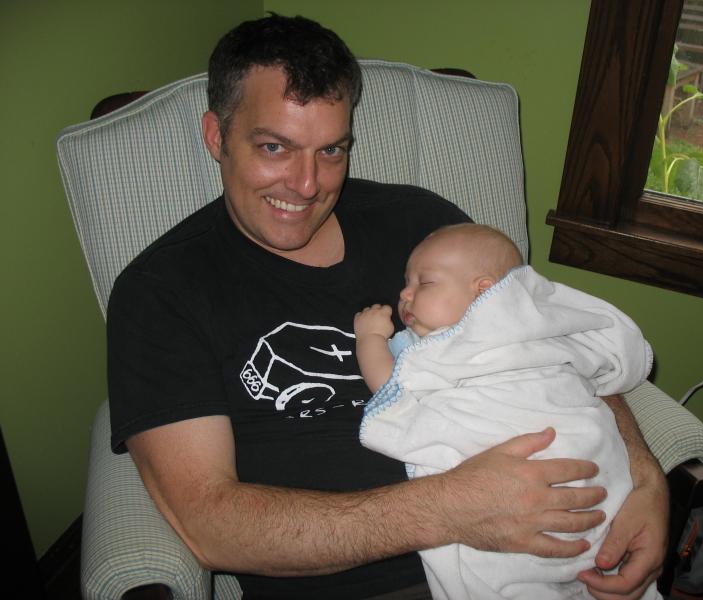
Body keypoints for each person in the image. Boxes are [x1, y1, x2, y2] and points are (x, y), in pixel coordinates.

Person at [107, 12, 668, 600]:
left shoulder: (426, 228)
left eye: (331, 150)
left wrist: (644, 480)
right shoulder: (161, 291)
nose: (307, 184)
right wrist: (450, 509)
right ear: (216, 136)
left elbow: (553, 345)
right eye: (275, 147)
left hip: (563, 559)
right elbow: (210, 522)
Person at [354, 224, 659, 600]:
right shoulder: (424, 346)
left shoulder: (500, 340)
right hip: (502, 495)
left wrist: (369, 338)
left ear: (484, 291)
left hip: (575, 468)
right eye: (406, 282)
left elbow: (386, 382)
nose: (404, 293)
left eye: (424, 282)